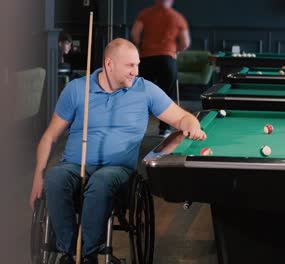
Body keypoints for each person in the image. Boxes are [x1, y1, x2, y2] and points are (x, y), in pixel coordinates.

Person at [29, 38, 206, 264]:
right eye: (130, 65)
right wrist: (37, 176)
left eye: (137, 65)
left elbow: (182, 117)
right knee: (53, 177)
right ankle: (70, 250)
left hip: (117, 171)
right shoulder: (77, 89)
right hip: (74, 167)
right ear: (109, 64)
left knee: (102, 180)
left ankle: (87, 255)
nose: (136, 71)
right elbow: (49, 136)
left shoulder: (145, 90)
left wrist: (191, 125)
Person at [130, 0, 191, 138]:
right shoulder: (177, 17)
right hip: (167, 59)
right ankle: (164, 129)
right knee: (166, 95)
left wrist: (140, 47)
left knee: (142, 94)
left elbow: (135, 33)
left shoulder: (145, 14)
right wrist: (175, 50)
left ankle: (136, 128)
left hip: (147, 58)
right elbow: (186, 42)